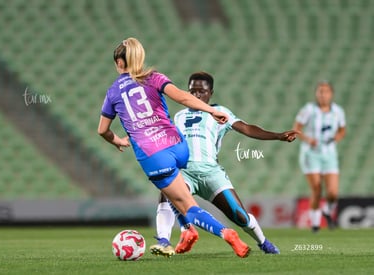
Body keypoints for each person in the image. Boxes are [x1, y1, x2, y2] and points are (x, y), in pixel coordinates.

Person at [97, 38, 250, 258]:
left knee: (187, 205)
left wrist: (118, 141)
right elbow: (183, 97)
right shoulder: (154, 77)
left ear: (119, 63)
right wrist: (210, 110)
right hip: (178, 146)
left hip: (154, 156)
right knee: (173, 191)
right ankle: (180, 233)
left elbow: (102, 130)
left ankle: (225, 233)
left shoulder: (112, 92)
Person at [150, 71, 298, 257]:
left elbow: (246, 128)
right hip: (185, 172)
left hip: (211, 173)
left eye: (201, 91)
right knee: (167, 193)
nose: (196, 95)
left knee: (240, 216)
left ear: (211, 92)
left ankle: (263, 242)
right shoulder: (179, 116)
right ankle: (164, 240)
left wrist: (277, 136)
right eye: (192, 91)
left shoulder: (220, 112)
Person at [293, 81, 346, 232]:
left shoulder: (338, 111)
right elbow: (296, 129)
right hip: (311, 154)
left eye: (326, 91)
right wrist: (309, 139)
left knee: (333, 193)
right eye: (320, 91)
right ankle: (315, 225)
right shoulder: (308, 110)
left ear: (331, 94)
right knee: (317, 189)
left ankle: (327, 211)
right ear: (317, 94)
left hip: (329, 154)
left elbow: (342, 130)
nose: (323, 94)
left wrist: (337, 138)